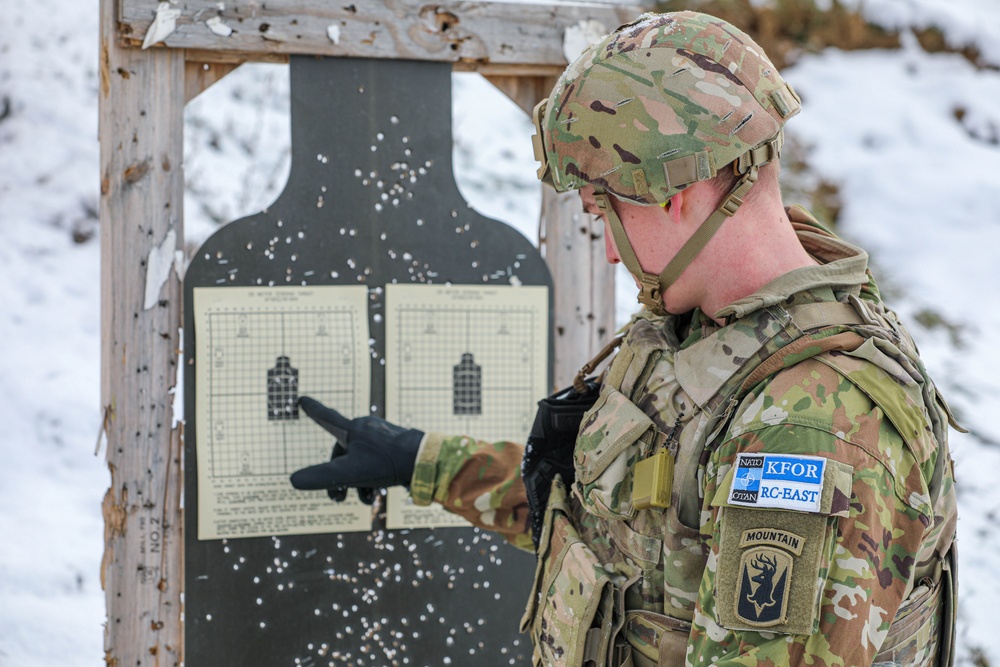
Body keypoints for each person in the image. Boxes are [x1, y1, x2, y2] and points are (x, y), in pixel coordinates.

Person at [290, 11, 959, 667]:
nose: (611, 252)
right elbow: (621, 530)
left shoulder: (815, 431)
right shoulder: (701, 334)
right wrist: (421, 460)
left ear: (675, 190)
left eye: (603, 211)